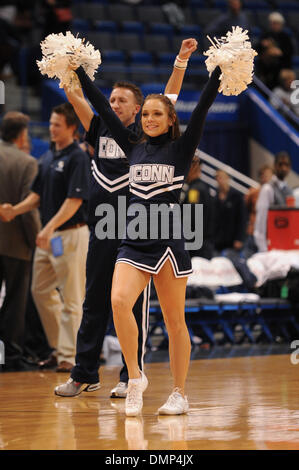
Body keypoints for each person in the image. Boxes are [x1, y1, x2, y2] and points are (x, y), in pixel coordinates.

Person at [73, 51, 221, 415]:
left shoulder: (181, 148)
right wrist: (75, 68)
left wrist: (219, 72)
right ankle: (135, 376)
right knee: (119, 301)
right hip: (134, 239)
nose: (150, 119)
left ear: (170, 119)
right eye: (146, 114)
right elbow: (100, 108)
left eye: (158, 114)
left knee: (174, 321)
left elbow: (201, 108)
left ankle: (179, 393)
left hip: (169, 239)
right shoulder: (132, 146)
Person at [1, 103, 90, 372]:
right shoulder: (49, 156)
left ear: (72, 128)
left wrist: (49, 227)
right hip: (49, 237)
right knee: (40, 291)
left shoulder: (78, 157)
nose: (51, 129)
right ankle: (58, 346)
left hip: (71, 235)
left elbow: (75, 200)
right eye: (51, 123)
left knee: (72, 298)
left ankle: (70, 356)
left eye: (57, 125)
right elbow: (37, 194)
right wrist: (15, 210)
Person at [0, 111, 41, 371]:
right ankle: (11, 356)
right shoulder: (26, 162)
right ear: (23, 134)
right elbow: (29, 208)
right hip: (15, 244)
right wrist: (35, 239)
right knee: (15, 302)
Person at [254, 151, 293, 252]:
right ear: (275, 166)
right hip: (270, 246)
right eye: (280, 164)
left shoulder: (289, 191)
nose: (283, 168)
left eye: (286, 165)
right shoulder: (268, 189)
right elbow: (260, 221)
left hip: (286, 245)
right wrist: (263, 249)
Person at [180, 150, 215, 260]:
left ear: (194, 168)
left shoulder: (195, 190)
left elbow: (191, 215)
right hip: (202, 242)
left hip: (196, 245)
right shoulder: (202, 187)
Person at [255, 12, 295, 90]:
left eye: (277, 23)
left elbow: (290, 52)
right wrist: (263, 45)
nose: (275, 25)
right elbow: (256, 49)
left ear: (281, 24)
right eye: (273, 23)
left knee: (288, 76)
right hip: (266, 66)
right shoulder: (266, 35)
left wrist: (280, 52)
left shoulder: (285, 37)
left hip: (282, 65)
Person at [212, 169, 247, 256]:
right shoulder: (214, 197)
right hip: (217, 241)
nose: (220, 180)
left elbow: (242, 219)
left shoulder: (236, 196)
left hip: (232, 241)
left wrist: (239, 239)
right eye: (217, 178)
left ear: (228, 178)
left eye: (221, 177)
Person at [243, 164, 273, 258]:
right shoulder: (253, 192)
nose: (266, 178)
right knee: (249, 259)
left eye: (268, 175)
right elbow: (246, 208)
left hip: (268, 233)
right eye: (263, 175)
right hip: (253, 231)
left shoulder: (274, 192)